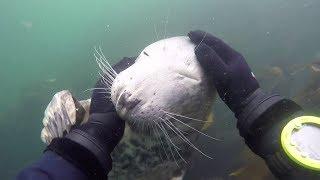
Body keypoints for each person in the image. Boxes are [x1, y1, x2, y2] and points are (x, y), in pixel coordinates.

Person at [16, 30, 320, 180]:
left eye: (185, 80)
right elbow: (52, 129)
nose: (130, 95)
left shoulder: (181, 149)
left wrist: (81, 146)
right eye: (143, 58)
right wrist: (266, 117)